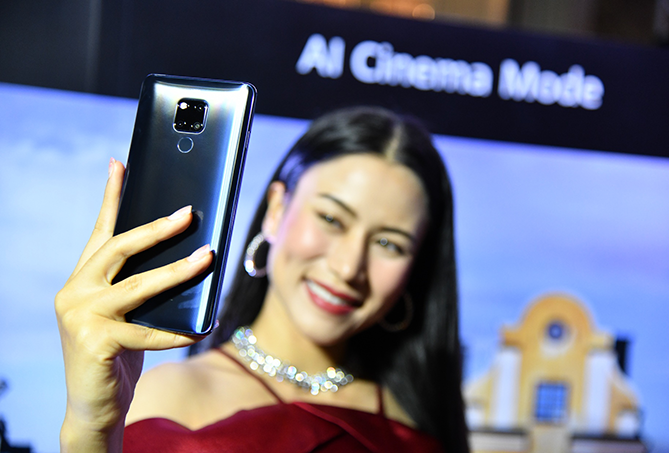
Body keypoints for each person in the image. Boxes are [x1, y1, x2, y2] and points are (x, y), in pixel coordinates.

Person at [56, 107, 469, 452]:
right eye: (331, 219)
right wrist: (88, 429)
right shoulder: (162, 398)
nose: (348, 268)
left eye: (388, 244)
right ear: (276, 211)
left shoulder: (416, 420)